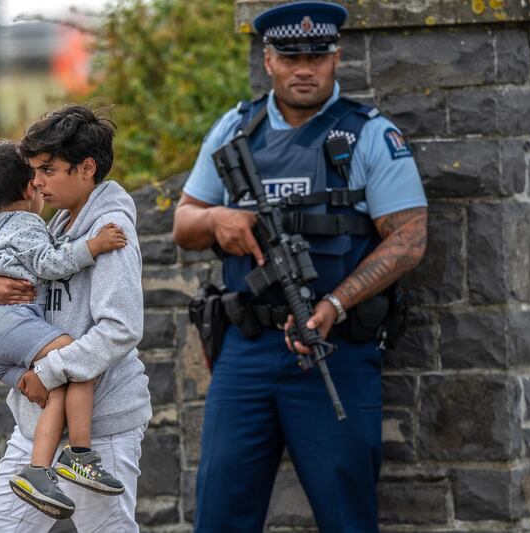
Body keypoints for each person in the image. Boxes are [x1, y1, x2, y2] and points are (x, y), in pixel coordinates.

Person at [172, 2, 428, 532]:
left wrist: (336, 303)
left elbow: (409, 237)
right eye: (290, 57)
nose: (304, 68)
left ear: (337, 57)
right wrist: (219, 218)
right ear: (269, 60)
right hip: (245, 352)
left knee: (346, 515)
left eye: (317, 55)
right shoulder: (234, 129)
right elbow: (183, 223)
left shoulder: (369, 135)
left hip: (332, 349)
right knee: (219, 512)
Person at [0, 105, 152, 532]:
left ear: (86, 168)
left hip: (100, 431)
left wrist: (49, 372)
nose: (36, 181)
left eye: (48, 169)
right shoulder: (50, 227)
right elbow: (14, 294)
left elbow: (120, 328)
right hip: (35, 423)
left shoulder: (111, 233)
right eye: (34, 170)